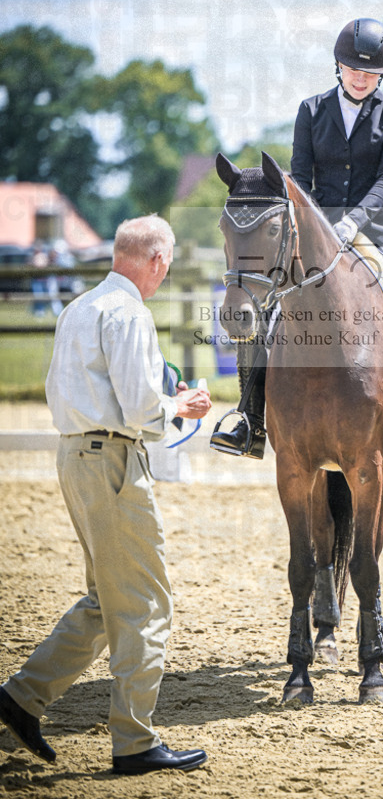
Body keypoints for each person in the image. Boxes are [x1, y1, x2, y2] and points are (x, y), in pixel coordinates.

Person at [0, 215, 212, 775]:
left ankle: (22, 698)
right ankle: (135, 743)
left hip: (73, 454)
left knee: (105, 600)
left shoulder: (79, 307)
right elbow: (143, 411)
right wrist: (181, 409)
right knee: (144, 601)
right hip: (114, 460)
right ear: (157, 261)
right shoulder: (131, 314)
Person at [211, 17, 383, 465]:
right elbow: (300, 177)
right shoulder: (311, 110)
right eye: (352, 69)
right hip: (315, 228)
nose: (361, 78)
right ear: (338, 66)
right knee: (264, 304)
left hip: (382, 226)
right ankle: (249, 419)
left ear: (381, 75)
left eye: (370, 73)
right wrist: (321, 225)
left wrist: (355, 222)